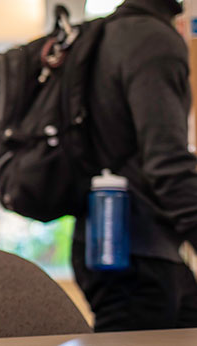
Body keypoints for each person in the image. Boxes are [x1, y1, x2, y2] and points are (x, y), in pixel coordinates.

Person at [72, 0, 197, 332]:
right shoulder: (153, 39)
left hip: (106, 240)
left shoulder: (103, 36)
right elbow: (168, 163)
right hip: (138, 253)